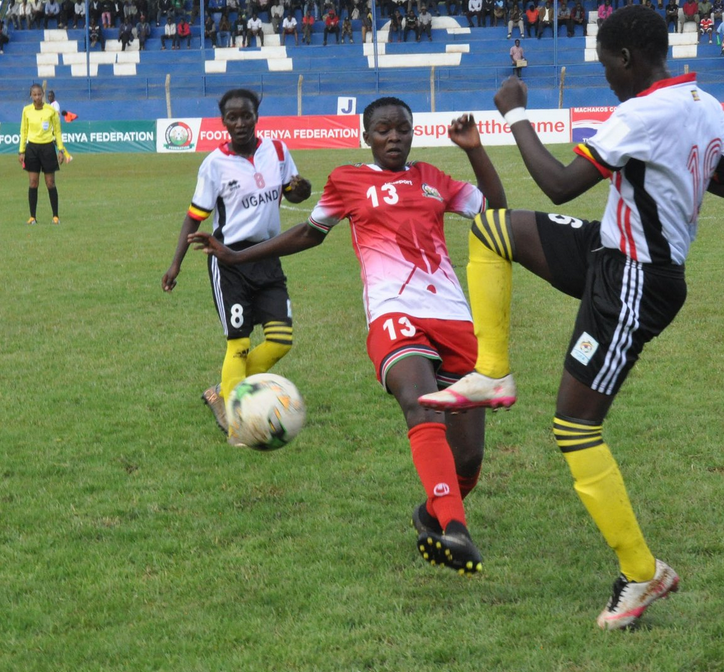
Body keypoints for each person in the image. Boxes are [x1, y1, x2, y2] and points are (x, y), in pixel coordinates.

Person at [419, 5, 724, 630]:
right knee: (492, 229)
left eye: (605, 65)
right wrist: (674, 168)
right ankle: (493, 373)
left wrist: (514, 111)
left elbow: (556, 183)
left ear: (626, 58)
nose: (605, 76)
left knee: (575, 427)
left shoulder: (641, 113)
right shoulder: (703, 104)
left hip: (636, 280)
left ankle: (642, 571)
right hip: (609, 250)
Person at [188, 98, 504, 576]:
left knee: (470, 458)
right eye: (382, 130)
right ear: (366, 136)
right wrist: (234, 258)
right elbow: (309, 233)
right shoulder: (347, 180)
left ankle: (429, 513)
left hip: (455, 318)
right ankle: (455, 529)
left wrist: (476, 150)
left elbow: (497, 212)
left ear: (414, 133)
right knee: (420, 404)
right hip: (393, 313)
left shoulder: (436, 179)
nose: (393, 137)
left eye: (402, 129)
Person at [162, 89, 312, 438]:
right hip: (228, 260)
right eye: (233, 117)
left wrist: (300, 190)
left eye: (246, 115)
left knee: (280, 342)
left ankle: (223, 389)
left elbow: (293, 192)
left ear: (256, 114)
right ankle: (238, 424)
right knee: (239, 344)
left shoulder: (276, 151)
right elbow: (194, 215)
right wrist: (175, 265)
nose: (240, 122)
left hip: (268, 254)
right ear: (224, 121)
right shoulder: (214, 164)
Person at [18, 84, 67, 224]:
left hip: (48, 148)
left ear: (43, 94)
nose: (37, 97)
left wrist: (61, 150)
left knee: (50, 183)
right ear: (31, 96)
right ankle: (32, 217)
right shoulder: (26, 110)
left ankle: (55, 216)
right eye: (34, 95)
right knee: (33, 183)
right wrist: (21, 151)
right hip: (32, 149)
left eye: (39, 94)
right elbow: (23, 131)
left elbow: (57, 131)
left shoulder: (50, 110)